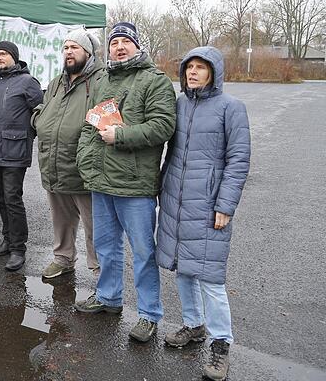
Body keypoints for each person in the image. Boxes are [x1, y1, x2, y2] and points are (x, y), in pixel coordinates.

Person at [74, 22, 176, 343]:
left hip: (134, 183)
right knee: (105, 246)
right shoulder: (103, 78)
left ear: (137, 46)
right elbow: (93, 124)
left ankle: (149, 314)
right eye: (114, 41)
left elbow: (163, 126)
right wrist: (83, 156)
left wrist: (120, 136)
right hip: (102, 180)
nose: (119, 47)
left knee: (144, 252)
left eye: (125, 42)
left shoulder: (155, 81)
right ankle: (108, 297)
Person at [156, 46, 250, 381]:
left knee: (210, 278)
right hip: (176, 203)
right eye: (189, 67)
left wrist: (225, 205)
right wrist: (160, 188)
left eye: (200, 67)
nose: (193, 72)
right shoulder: (180, 104)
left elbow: (239, 162)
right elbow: (170, 152)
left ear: (214, 72)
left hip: (209, 204)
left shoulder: (231, 108)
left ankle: (221, 343)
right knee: (182, 269)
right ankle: (193, 325)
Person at [33, 29, 104, 279]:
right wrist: (38, 120)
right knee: (61, 218)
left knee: (95, 223)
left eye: (74, 47)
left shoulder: (100, 80)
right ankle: (63, 258)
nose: (69, 52)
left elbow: (106, 117)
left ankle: (99, 269)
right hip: (54, 161)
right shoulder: (56, 81)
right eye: (66, 48)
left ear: (87, 52)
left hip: (83, 166)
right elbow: (42, 106)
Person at [0, 41, 43, 271]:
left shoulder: (28, 82)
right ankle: (7, 239)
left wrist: (27, 136)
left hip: (15, 150)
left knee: (12, 199)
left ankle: (19, 248)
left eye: (4, 54)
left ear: (14, 57)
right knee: (0, 198)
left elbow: (40, 113)